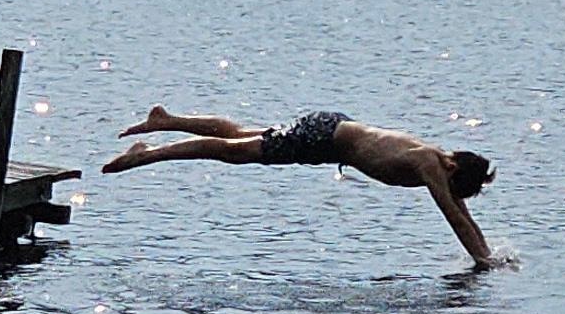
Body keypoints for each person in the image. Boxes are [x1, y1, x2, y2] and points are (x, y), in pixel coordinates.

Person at [101, 103, 502, 267]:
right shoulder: (429, 162)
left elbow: (463, 215)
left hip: (330, 133)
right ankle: (148, 153)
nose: (457, 197)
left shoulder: (437, 161)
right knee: (233, 151)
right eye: (459, 188)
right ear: (453, 169)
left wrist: (489, 254)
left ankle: (166, 120)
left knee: (241, 134)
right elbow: (455, 218)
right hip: (325, 139)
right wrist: (484, 261)